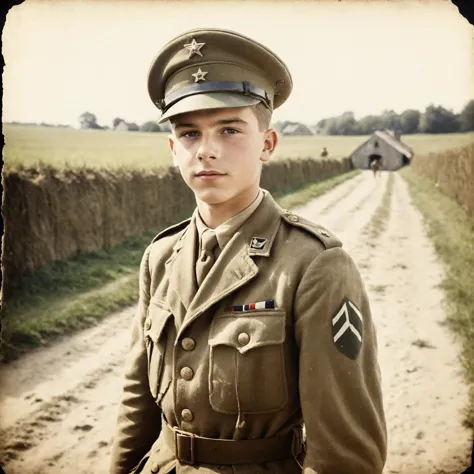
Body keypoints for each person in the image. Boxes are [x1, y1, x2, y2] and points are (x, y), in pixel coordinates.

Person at [109, 27, 387, 474]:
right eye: (189, 134)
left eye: (230, 130)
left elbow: (346, 456)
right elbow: (136, 405)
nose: (207, 151)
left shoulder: (314, 265)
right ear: (172, 149)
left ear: (267, 145)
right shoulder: (159, 257)